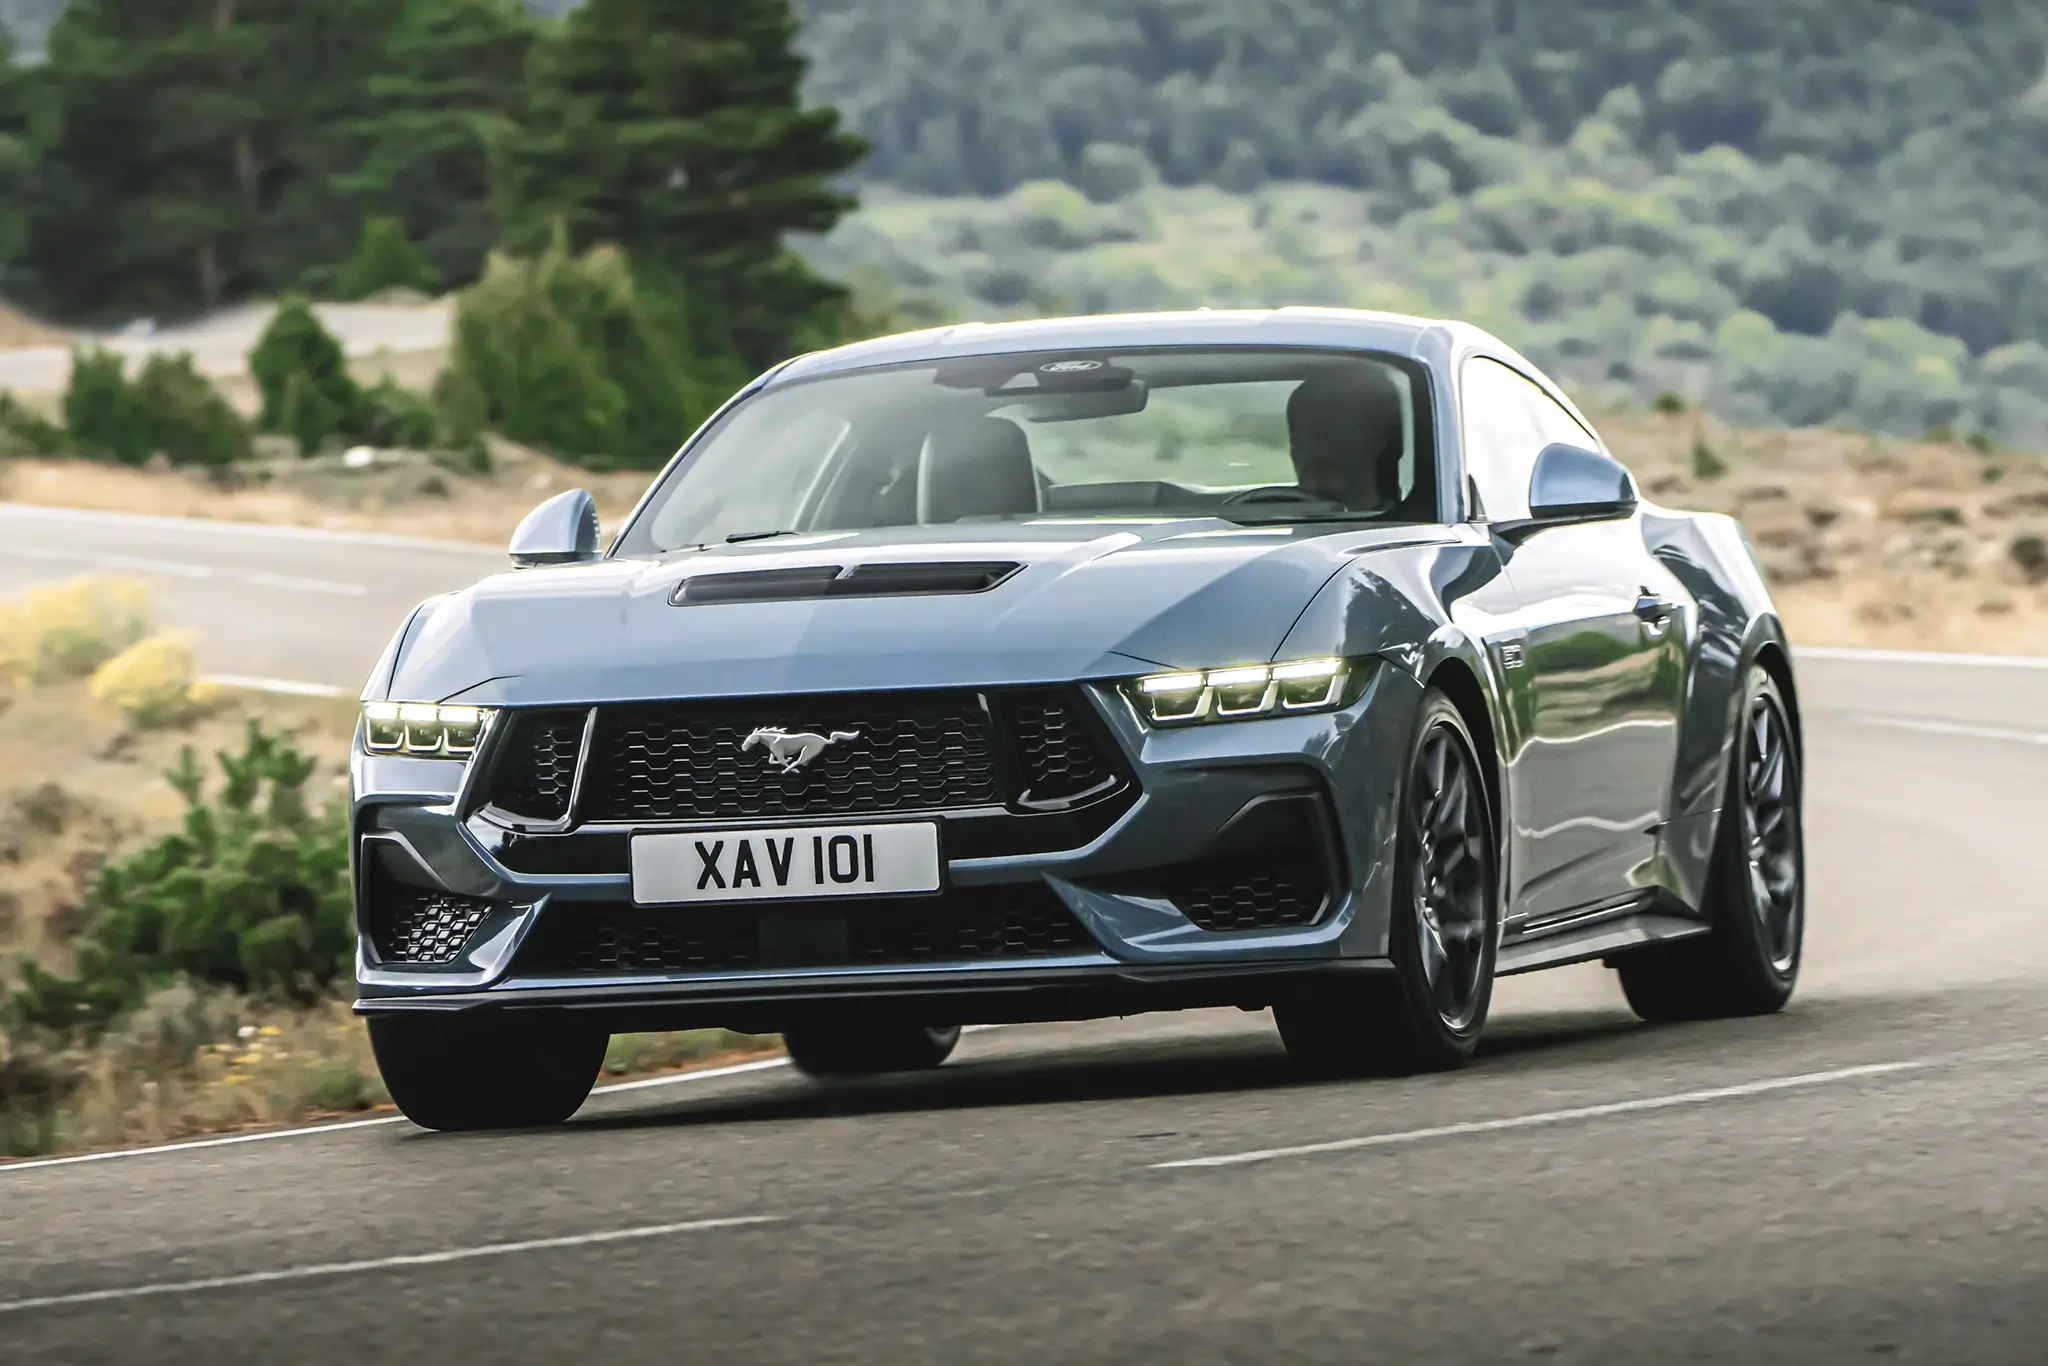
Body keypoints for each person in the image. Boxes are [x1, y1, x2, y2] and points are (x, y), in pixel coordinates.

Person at [1285, 366, 1407, 511]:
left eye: (1329, 431)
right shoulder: (1270, 523)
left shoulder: (1415, 527)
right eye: (1301, 435)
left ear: (1379, 440)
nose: (1316, 448)